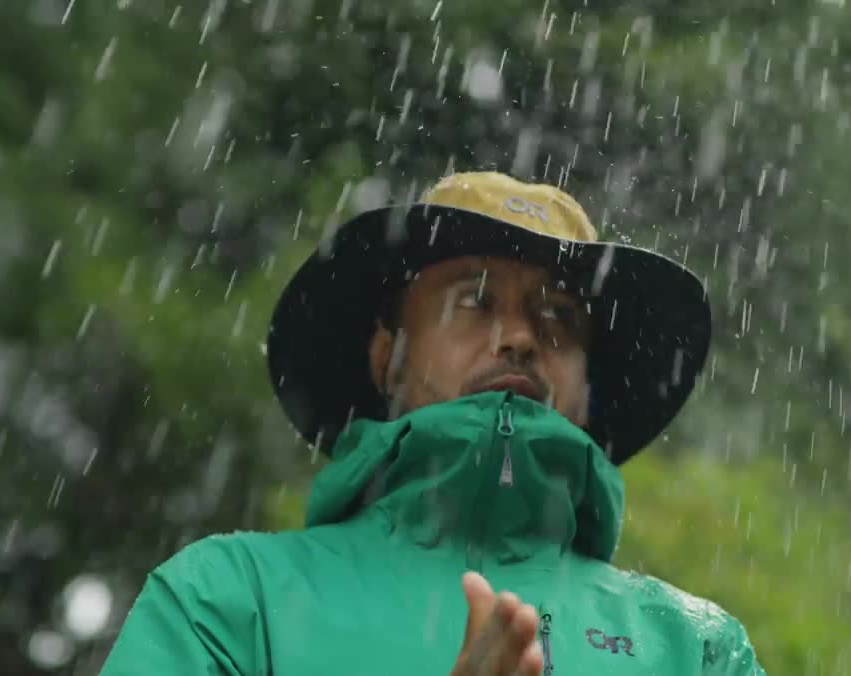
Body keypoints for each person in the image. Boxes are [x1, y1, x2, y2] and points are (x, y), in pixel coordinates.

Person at [101, 171, 765, 675]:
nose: (519, 338)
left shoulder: (695, 647)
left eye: (558, 315)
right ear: (388, 353)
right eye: (474, 301)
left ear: (588, 389)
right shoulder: (231, 600)